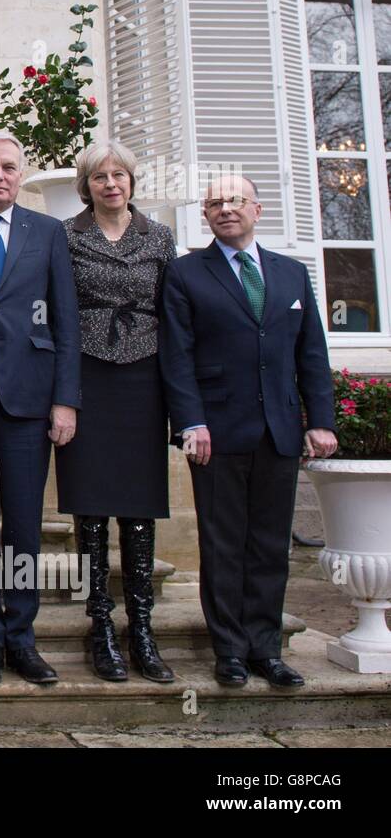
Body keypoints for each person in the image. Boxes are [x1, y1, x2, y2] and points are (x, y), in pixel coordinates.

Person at [160, 173, 337, 688]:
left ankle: (267, 648)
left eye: (235, 200)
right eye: (214, 203)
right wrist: (191, 421)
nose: (225, 209)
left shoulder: (291, 274)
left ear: (257, 209)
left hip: (279, 430)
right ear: (206, 216)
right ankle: (230, 651)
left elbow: (312, 354)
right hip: (215, 431)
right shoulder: (187, 273)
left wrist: (320, 420)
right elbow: (177, 356)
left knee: (268, 544)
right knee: (222, 543)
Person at [0, 132, 81, 687]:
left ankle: (22, 638)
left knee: (23, 526)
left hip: (30, 400)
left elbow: (67, 323)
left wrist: (65, 400)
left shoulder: (48, 233)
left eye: (7, 167)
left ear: (20, 175)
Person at [54, 140, 177, 683]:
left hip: (143, 377)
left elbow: (176, 315)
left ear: (131, 181)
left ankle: (142, 627)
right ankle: (100, 624)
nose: (110, 184)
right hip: (87, 376)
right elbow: (56, 314)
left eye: (118, 175)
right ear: (86, 185)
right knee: (91, 506)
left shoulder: (160, 237)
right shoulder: (65, 237)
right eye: (99, 176)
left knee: (138, 505)